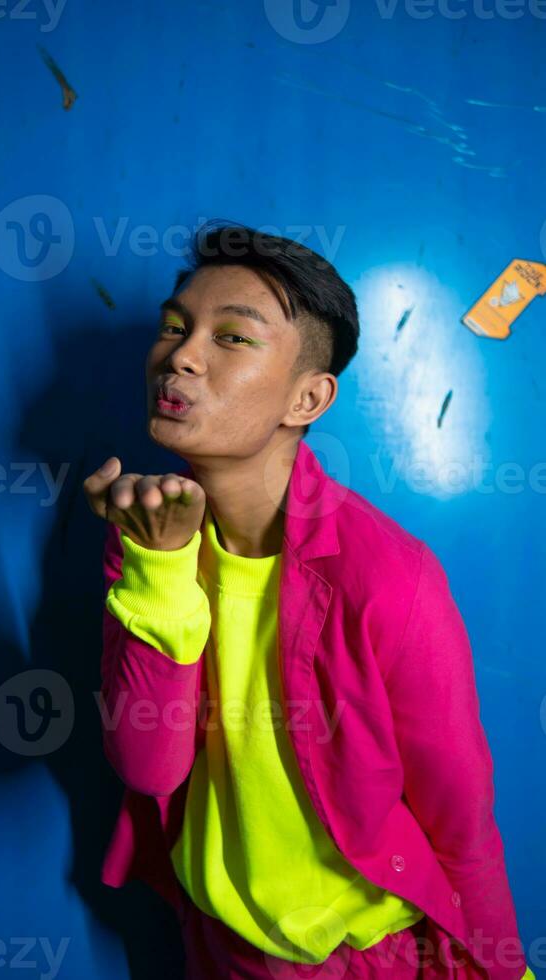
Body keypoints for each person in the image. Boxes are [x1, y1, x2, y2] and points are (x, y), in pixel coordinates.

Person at [83, 222, 534, 979]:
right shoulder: (150, 532)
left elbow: (462, 821)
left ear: (308, 397)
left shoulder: (391, 577)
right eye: (174, 326)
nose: (181, 354)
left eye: (232, 339)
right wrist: (158, 567)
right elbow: (148, 767)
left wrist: (503, 969)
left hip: (355, 959)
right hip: (216, 942)